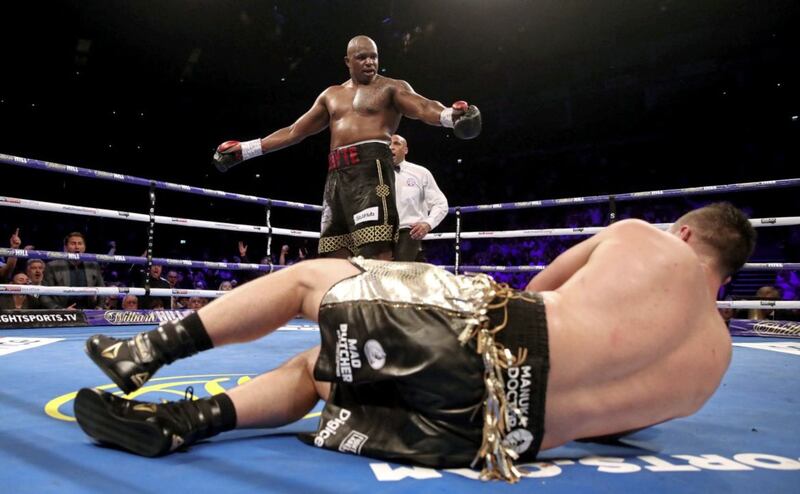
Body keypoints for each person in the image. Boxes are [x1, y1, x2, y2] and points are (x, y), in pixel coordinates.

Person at [73, 202, 755, 483]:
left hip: (499, 338)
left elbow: (543, 289)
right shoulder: (711, 370)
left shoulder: (646, 238)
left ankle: (146, 353)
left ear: (688, 234)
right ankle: (178, 422)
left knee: (315, 281)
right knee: (323, 370)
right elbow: (614, 429)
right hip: (498, 440)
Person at [212, 35, 481, 260]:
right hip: (336, 177)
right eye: (362, 57)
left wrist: (450, 117)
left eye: (374, 56)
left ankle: (382, 319)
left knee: (377, 254)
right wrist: (246, 149)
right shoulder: (331, 95)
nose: (370, 62)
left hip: (371, 169)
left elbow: (423, 107)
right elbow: (295, 131)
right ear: (347, 61)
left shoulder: (391, 88)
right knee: (334, 256)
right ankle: (347, 320)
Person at [389, 134, 449, 261]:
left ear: (405, 150)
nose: (391, 147)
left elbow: (440, 203)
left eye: (396, 143)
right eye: (388, 144)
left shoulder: (420, 173)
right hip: (380, 234)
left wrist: (428, 223)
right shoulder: (374, 174)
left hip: (409, 232)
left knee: (400, 274)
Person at [40, 232, 106, 310]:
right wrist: (61, 310)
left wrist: (99, 307)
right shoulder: (53, 266)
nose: (77, 247)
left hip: (88, 312)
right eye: (73, 243)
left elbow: (103, 290)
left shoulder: (93, 266)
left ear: (84, 247)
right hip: (63, 312)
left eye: (80, 243)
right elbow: (43, 295)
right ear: (65, 248)